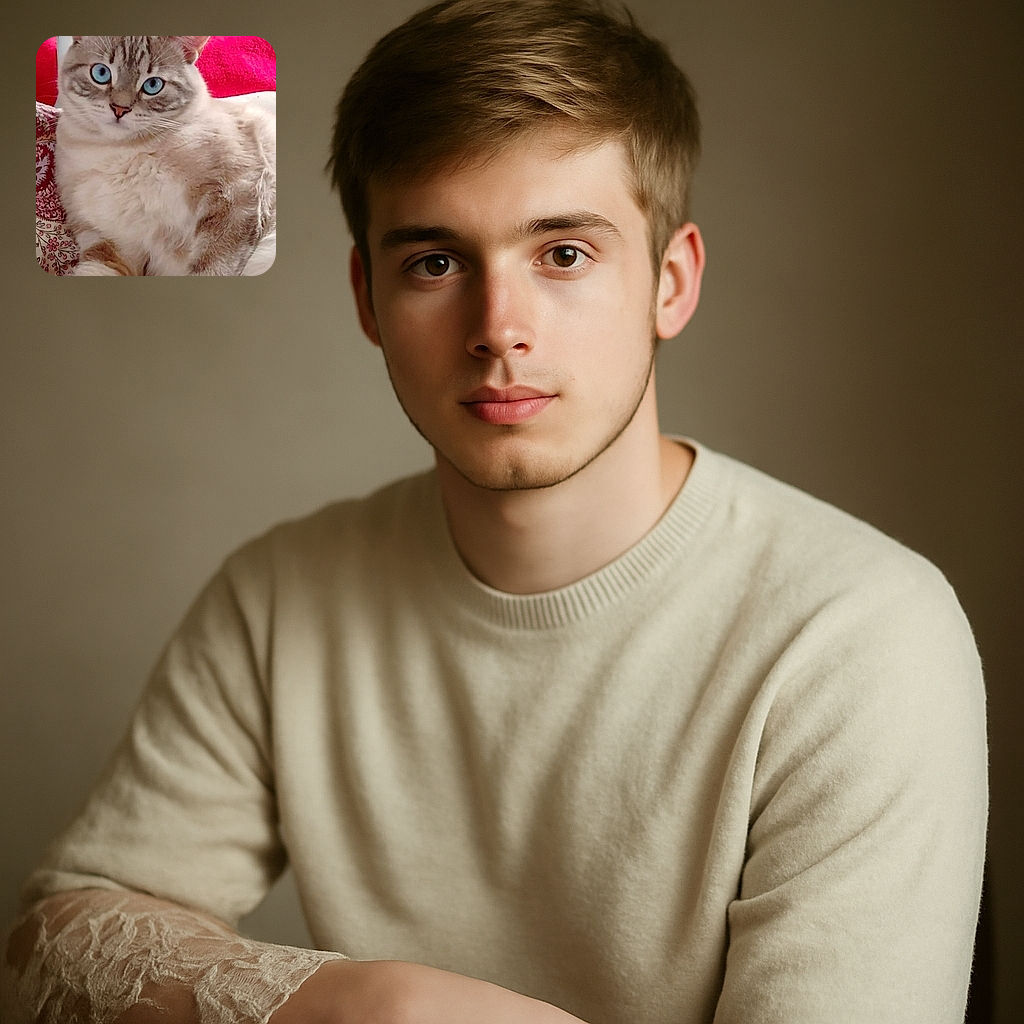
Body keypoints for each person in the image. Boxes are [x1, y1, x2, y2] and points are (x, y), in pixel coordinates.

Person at [1, 1, 987, 1022]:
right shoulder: (281, 596)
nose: (497, 329)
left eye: (562, 253)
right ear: (368, 298)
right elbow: (51, 945)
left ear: (671, 280)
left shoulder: (863, 634)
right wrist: (368, 1004)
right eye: (435, 261)